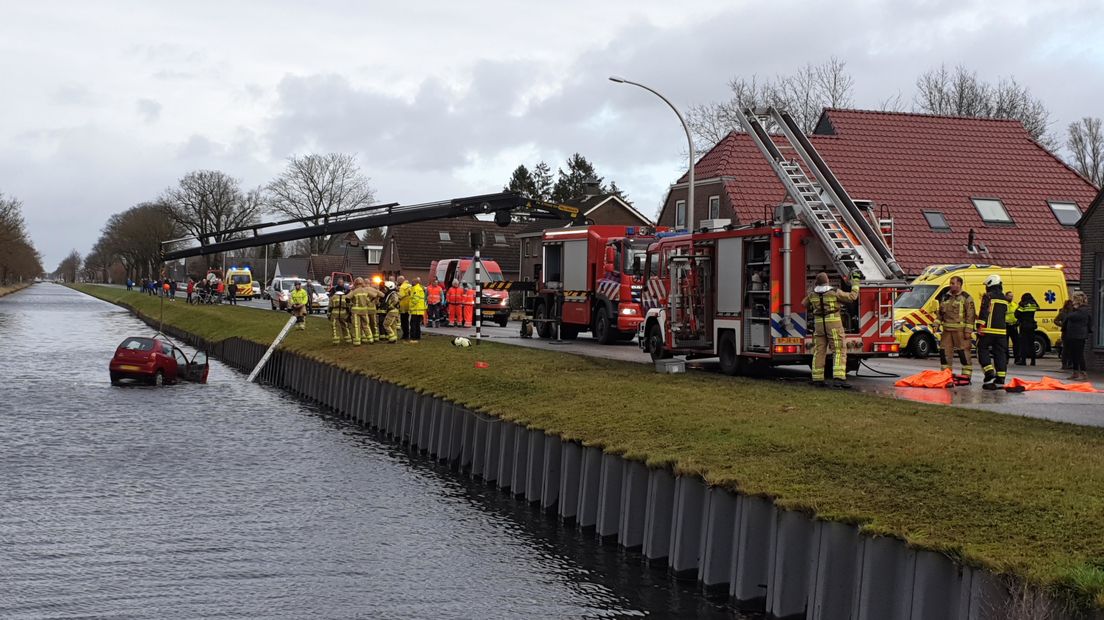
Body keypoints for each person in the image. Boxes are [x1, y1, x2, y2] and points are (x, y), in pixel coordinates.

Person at [802, 270, 861, 388]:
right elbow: (852, 297)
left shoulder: (812, 294)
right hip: (833, 325)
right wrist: (855, 283)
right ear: (827, 281)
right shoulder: (834, 292)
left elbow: (804, 304)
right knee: (839, 350)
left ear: (817, 283)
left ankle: (817, 379)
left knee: (819, 351)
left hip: (819, 326)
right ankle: (839, 379)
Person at [933, 275, 975, 385]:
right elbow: (940, 313)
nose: (951, 285)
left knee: (963, 352)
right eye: (950, 283)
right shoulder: (945, 297)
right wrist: (936, 324)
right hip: (947, 330)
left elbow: (970, 315)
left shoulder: (966, 298)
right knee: (944, 353)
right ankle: (945, 376)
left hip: (960, 331)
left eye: (953, 283)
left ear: (959, 284)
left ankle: (966, 377)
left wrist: (968, 331)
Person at [975, 275, 1010, 390]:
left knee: (981, 348)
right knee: (1000, 354)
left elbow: (985, 311)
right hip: (1001, 332)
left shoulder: (988, 296)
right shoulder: (1005, 299)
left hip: (988, 330)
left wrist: (979, 325)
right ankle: (1001, 377)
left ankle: (989, 370)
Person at [1063, 292, 1092, 381]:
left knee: (1079, 354)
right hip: (1073, 335)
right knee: (1073, 354)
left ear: (1077, 300)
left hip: (1079, 335)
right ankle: (1075, 372)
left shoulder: (1082, 310)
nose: (1072, 301)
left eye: (1074, 299)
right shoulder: (1078, 310)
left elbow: (1070, 317)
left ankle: (1083, 373)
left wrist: (1072, 310)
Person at [1015, 292, 1039, 366]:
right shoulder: (1034, 304)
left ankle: (1023, 361)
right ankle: (1033, 361)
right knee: (1031, 344)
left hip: (1024, 326)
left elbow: (1016, 314)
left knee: (1023, 344)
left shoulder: (1022, 305)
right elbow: (1038, 308)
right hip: (1032, 326)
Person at [409, 277, 427, 342]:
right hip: (420, 309)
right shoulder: (420, 288)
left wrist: (410, 306)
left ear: (415, 283)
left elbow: (415, 299)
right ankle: (417, 336)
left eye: (412, 282)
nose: (411, 283)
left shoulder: (415, 289)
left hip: (416, 309)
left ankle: (413, 337)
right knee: (417, 325)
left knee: (413, 324)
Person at [1057, 299, 1074, 369]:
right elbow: (1056, 320)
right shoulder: (1063, 312)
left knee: (1071, 349)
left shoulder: (1073, 312)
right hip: (1065, 332)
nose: (1071, 306)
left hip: (1072, 332)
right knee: (1066, 349)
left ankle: (1070, 363)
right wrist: (1061, 325)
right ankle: (1064, 364)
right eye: (1070, 305)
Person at [1004, 291, 1018, 363]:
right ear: (1006, 296)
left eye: (1012, 296)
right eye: (1009, 296)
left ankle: (1017, 358)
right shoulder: (1003, 304)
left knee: (1016, 343)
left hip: (1013, 325)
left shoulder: (1015, 305)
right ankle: (1006, 358)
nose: (1011, 297)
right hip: (1005, 325)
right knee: (1005, 344)